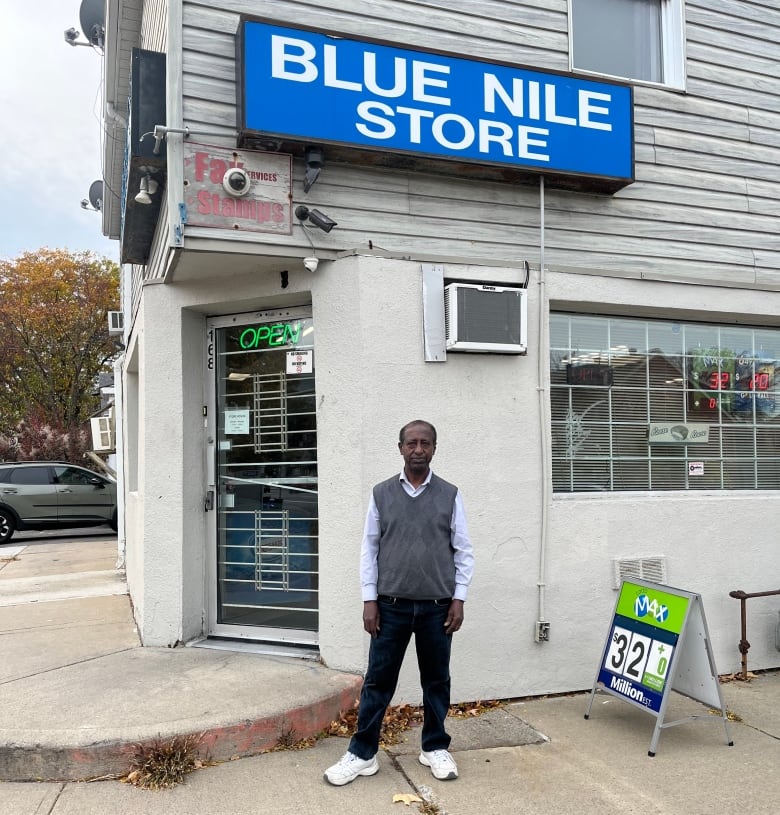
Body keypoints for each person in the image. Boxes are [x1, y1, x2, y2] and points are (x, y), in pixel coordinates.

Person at [324, 419, 475, 786]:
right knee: (378, 682)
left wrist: (459, 598)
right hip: (389, 606)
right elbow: (369, 550)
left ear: (434, 448)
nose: (418, 449)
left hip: (438, 607)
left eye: (425, 443)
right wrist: (368, 599)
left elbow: (464, 551)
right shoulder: (381, 494)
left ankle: (434, 747)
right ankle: (362, 755)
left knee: (436, 680)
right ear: (400, 447)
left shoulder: (450, 494)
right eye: (411, 443)